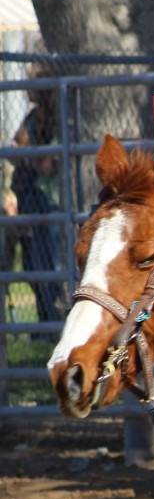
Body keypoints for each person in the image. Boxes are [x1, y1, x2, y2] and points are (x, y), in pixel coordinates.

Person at [11, 80, 63, 327]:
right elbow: (15, 149)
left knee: (54, 265)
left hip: (54, 201)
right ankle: (46, 327)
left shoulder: (60, 117)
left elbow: (48, 165)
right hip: (33, 198)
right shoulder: (33, 117)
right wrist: (28, 153)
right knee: (37, 265)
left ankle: (57, 321)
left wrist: (28, 153)